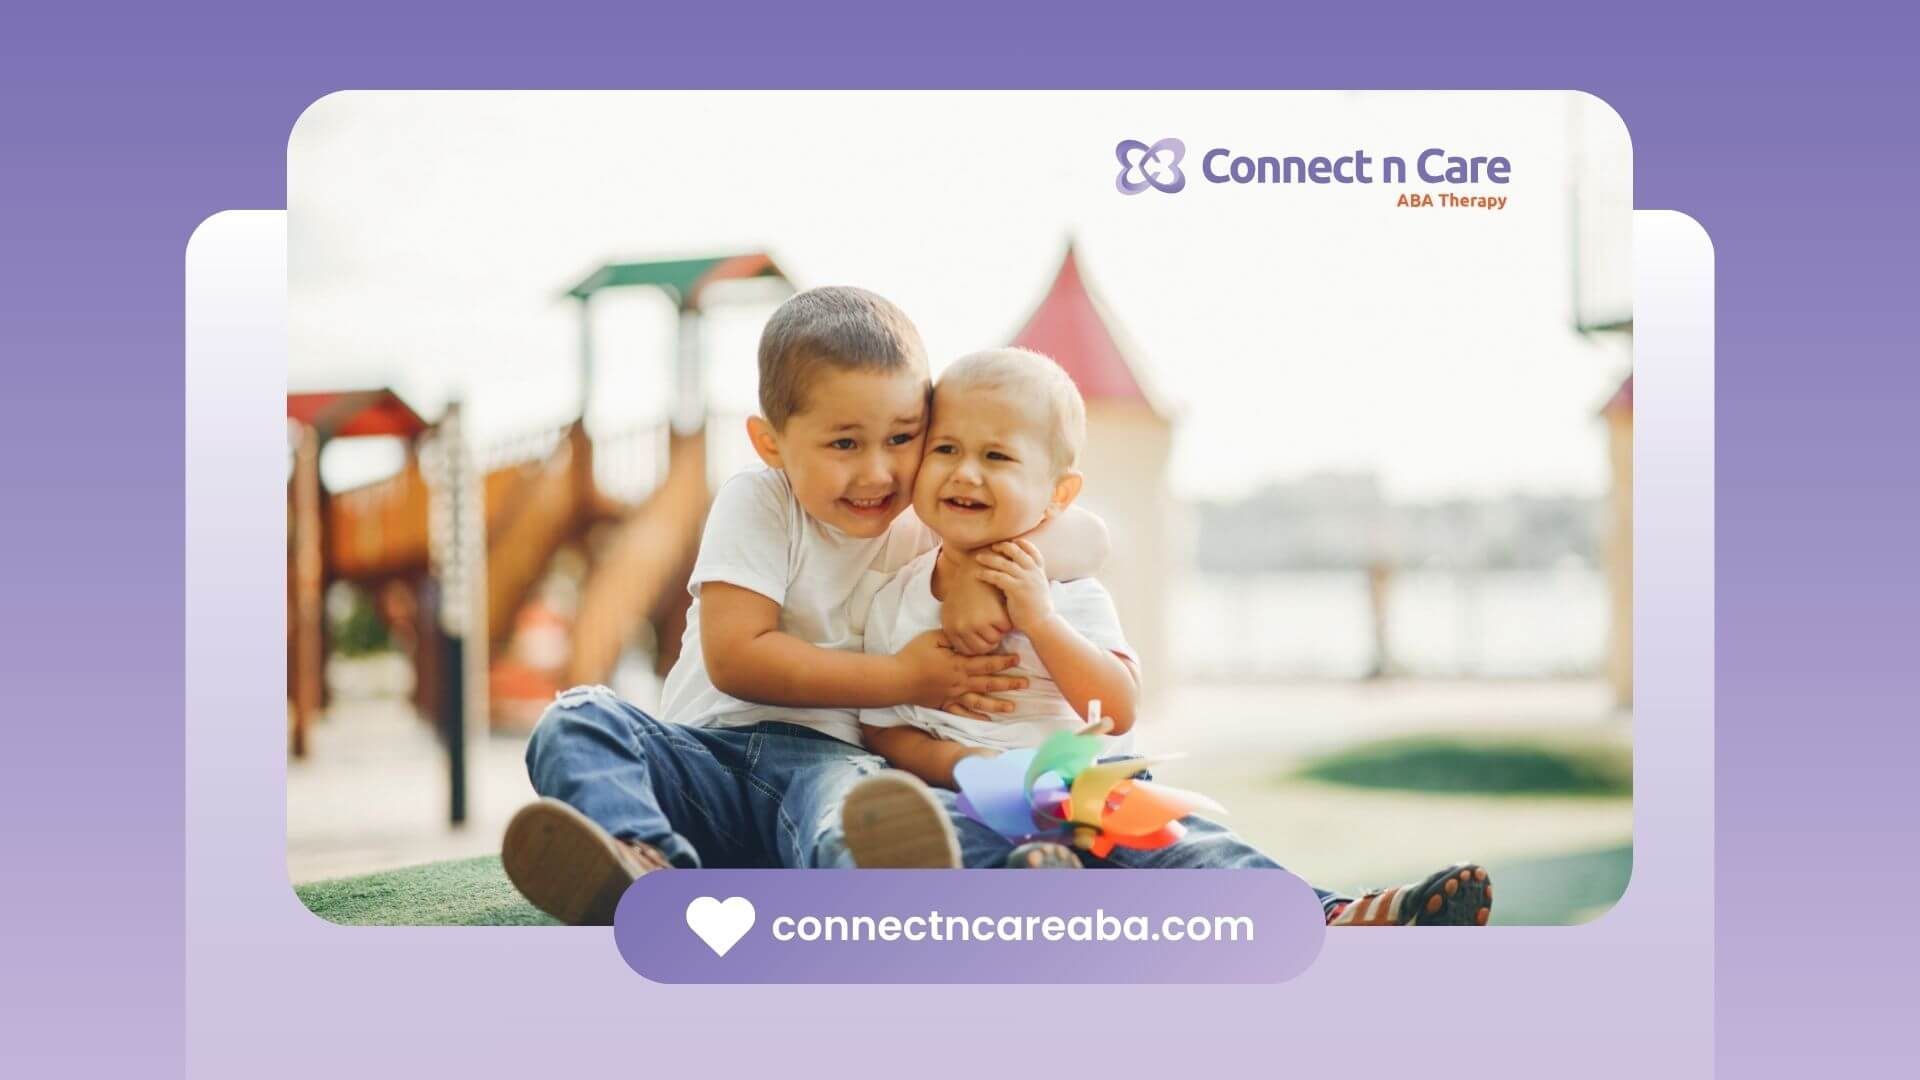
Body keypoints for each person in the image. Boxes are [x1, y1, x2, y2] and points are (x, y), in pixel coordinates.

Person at [500, 287, 1106, 924]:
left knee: (869, 815)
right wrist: (905, 678)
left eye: (902, 438)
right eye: (845, 444)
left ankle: (951, 889)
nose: (878, 472)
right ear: (770, 444)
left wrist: (983, 575)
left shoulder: (927, 522)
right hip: (709, 760)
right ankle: (644, 864)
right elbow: (738, 659)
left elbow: (1090, 536)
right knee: (576, 718)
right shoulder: (760, 503)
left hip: (831, 762)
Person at [839, 347, 1492, 927]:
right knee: (969, 845)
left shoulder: (1068, 594)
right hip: (965, 796)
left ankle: (1331, 917)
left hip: (1083, 785)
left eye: (997, 456)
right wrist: (959, 765)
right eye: (946, 449)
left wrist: (1040, 621)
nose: (965, 473)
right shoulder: (898, 595)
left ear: (1057, 495)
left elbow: (1118, 704)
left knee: (1189, 846)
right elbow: (883, 729)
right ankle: (1037, 879)